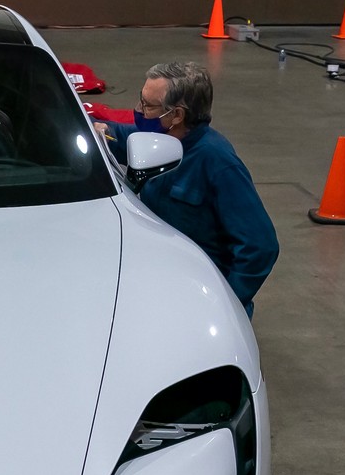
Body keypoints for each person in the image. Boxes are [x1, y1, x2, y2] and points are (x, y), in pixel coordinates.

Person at [96, 62, 279, 314]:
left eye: (148, 106)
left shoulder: (218, 163)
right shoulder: (161, 140)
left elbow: (260, 246)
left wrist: (226, 303)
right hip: (161, 275)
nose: (139, 111)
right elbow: (123, 136)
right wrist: (101, 130)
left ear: (177, 115)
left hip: (196, 293)